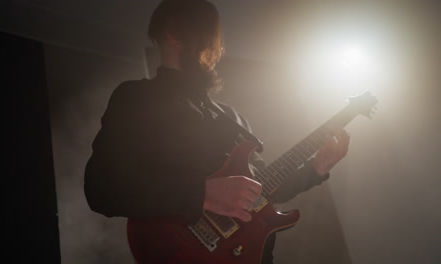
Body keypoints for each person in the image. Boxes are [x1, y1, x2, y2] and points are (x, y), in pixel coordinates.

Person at [84, 0, 350, 263]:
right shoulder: (138, 97)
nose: (216, 47)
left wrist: (315, 169)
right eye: (208, 34)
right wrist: (201, 193)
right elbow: (102, 189)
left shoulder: (233, 118)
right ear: (173, 34)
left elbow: (259, 192)